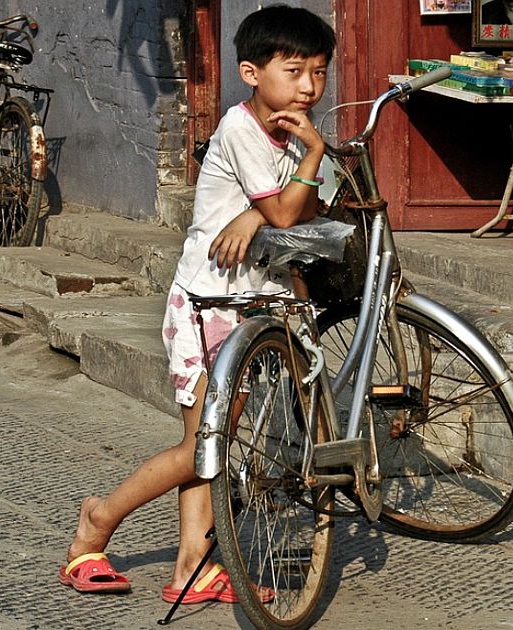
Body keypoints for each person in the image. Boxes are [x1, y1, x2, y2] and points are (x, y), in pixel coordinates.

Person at [60, 4, 336, 603]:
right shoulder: (244, 129)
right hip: (207, 306)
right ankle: (98, 520)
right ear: (251, 73)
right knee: (201, 445)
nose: (310, 86)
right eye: (295, 71)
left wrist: (252, 210)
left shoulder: (288, 129)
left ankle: (192, 565)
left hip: (249, 304)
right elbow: (289, 210)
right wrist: (310, 160)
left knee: (216, 435)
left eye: (319, 72)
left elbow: (304, 210)